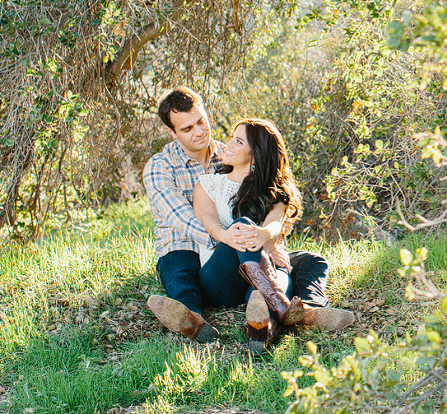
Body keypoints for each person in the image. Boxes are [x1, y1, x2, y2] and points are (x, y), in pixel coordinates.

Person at [142, 87, 352, 346]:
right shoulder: (160, 166)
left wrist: (268, 241)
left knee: (303, 262)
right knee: (182, 276)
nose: (198, 132)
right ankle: (193, 320)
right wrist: (223, 235)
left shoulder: (228, 152)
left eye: (201, 121)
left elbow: (272, 216)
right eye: (187, 129)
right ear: (172, 132)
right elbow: (181, 217)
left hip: (245, 250)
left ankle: (280, 319)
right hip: (185, 245)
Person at [194, 117, 354, 351]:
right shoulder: (208, 184)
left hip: (257, 274)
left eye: (238, 141)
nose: (227, 144)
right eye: (232, 137)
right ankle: (281, 305)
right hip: (220, 279)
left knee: (311, 261)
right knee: (243, 226)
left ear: (256, 155)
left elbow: (274, 225)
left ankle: (280, 320)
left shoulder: (274, 192)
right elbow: (207, 219)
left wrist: (265, 237)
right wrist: (226, 236)